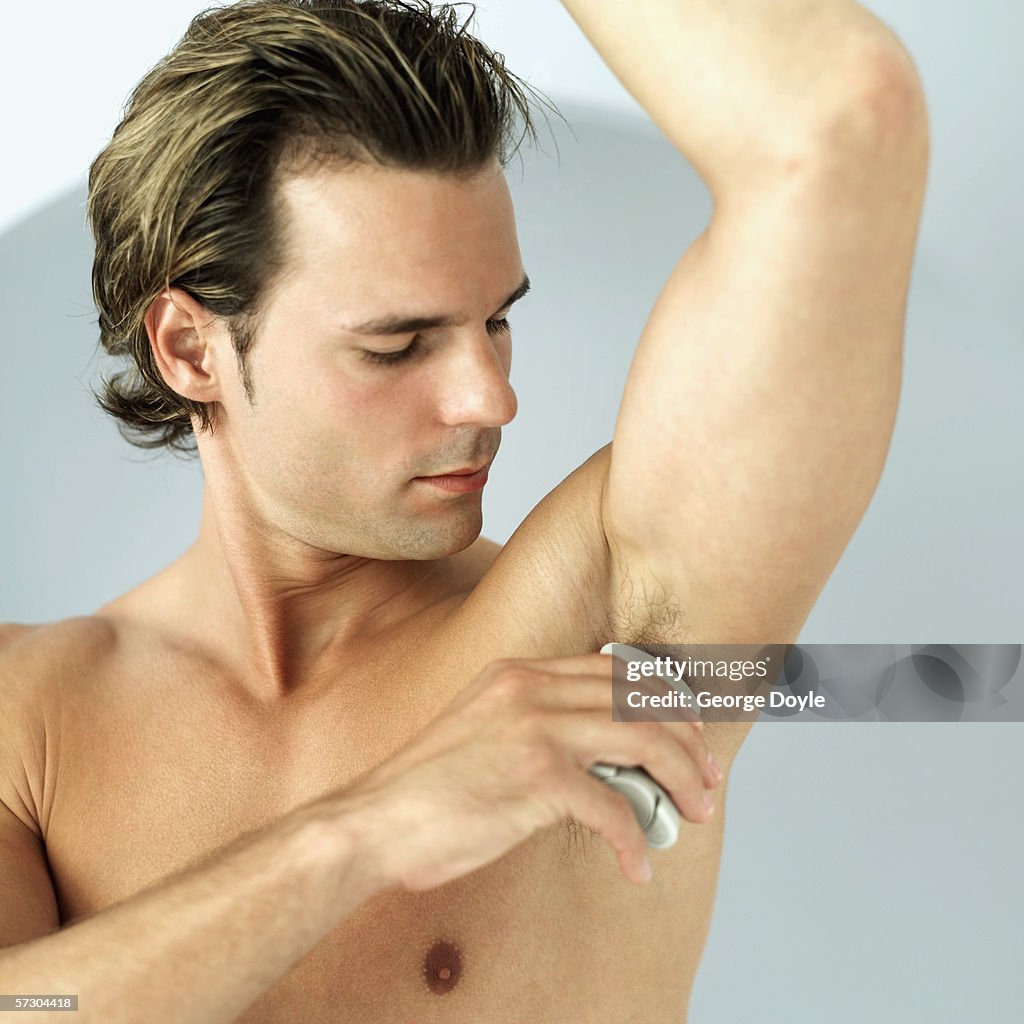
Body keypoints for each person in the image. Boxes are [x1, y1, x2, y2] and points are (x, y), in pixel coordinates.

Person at [0, 0, 929, 1020]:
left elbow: (843, 123)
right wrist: (373, 827)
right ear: (190, 349)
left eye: (496, 320)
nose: (491, 398)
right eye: (397, 345)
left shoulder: (608, 638)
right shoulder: (29, 719)